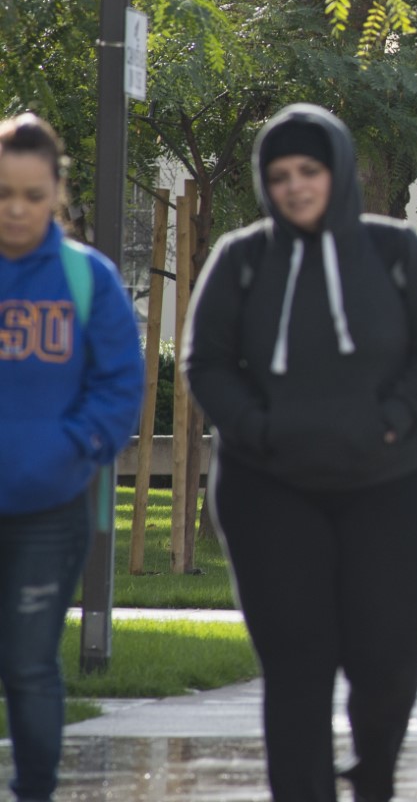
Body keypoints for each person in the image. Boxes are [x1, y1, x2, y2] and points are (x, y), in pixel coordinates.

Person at [184, 105, 417, 802]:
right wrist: (260, 428)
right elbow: (206, 362)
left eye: (309, 171)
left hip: (385, 482)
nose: (296, 187)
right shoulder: (241, 260)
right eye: (279, 175)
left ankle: (373, 779)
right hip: (269, 488)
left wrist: (397, 421)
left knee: (388, 661)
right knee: (298, 668)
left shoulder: (396, 252)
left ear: (337, 172)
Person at [0, 114, 144, 802]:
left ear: (57, 191)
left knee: (27, 664)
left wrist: (71, 448)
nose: (17, 208)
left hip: (50, 511)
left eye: (32, 194)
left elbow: (120, 387)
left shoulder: (89, 280)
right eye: (4, 193)